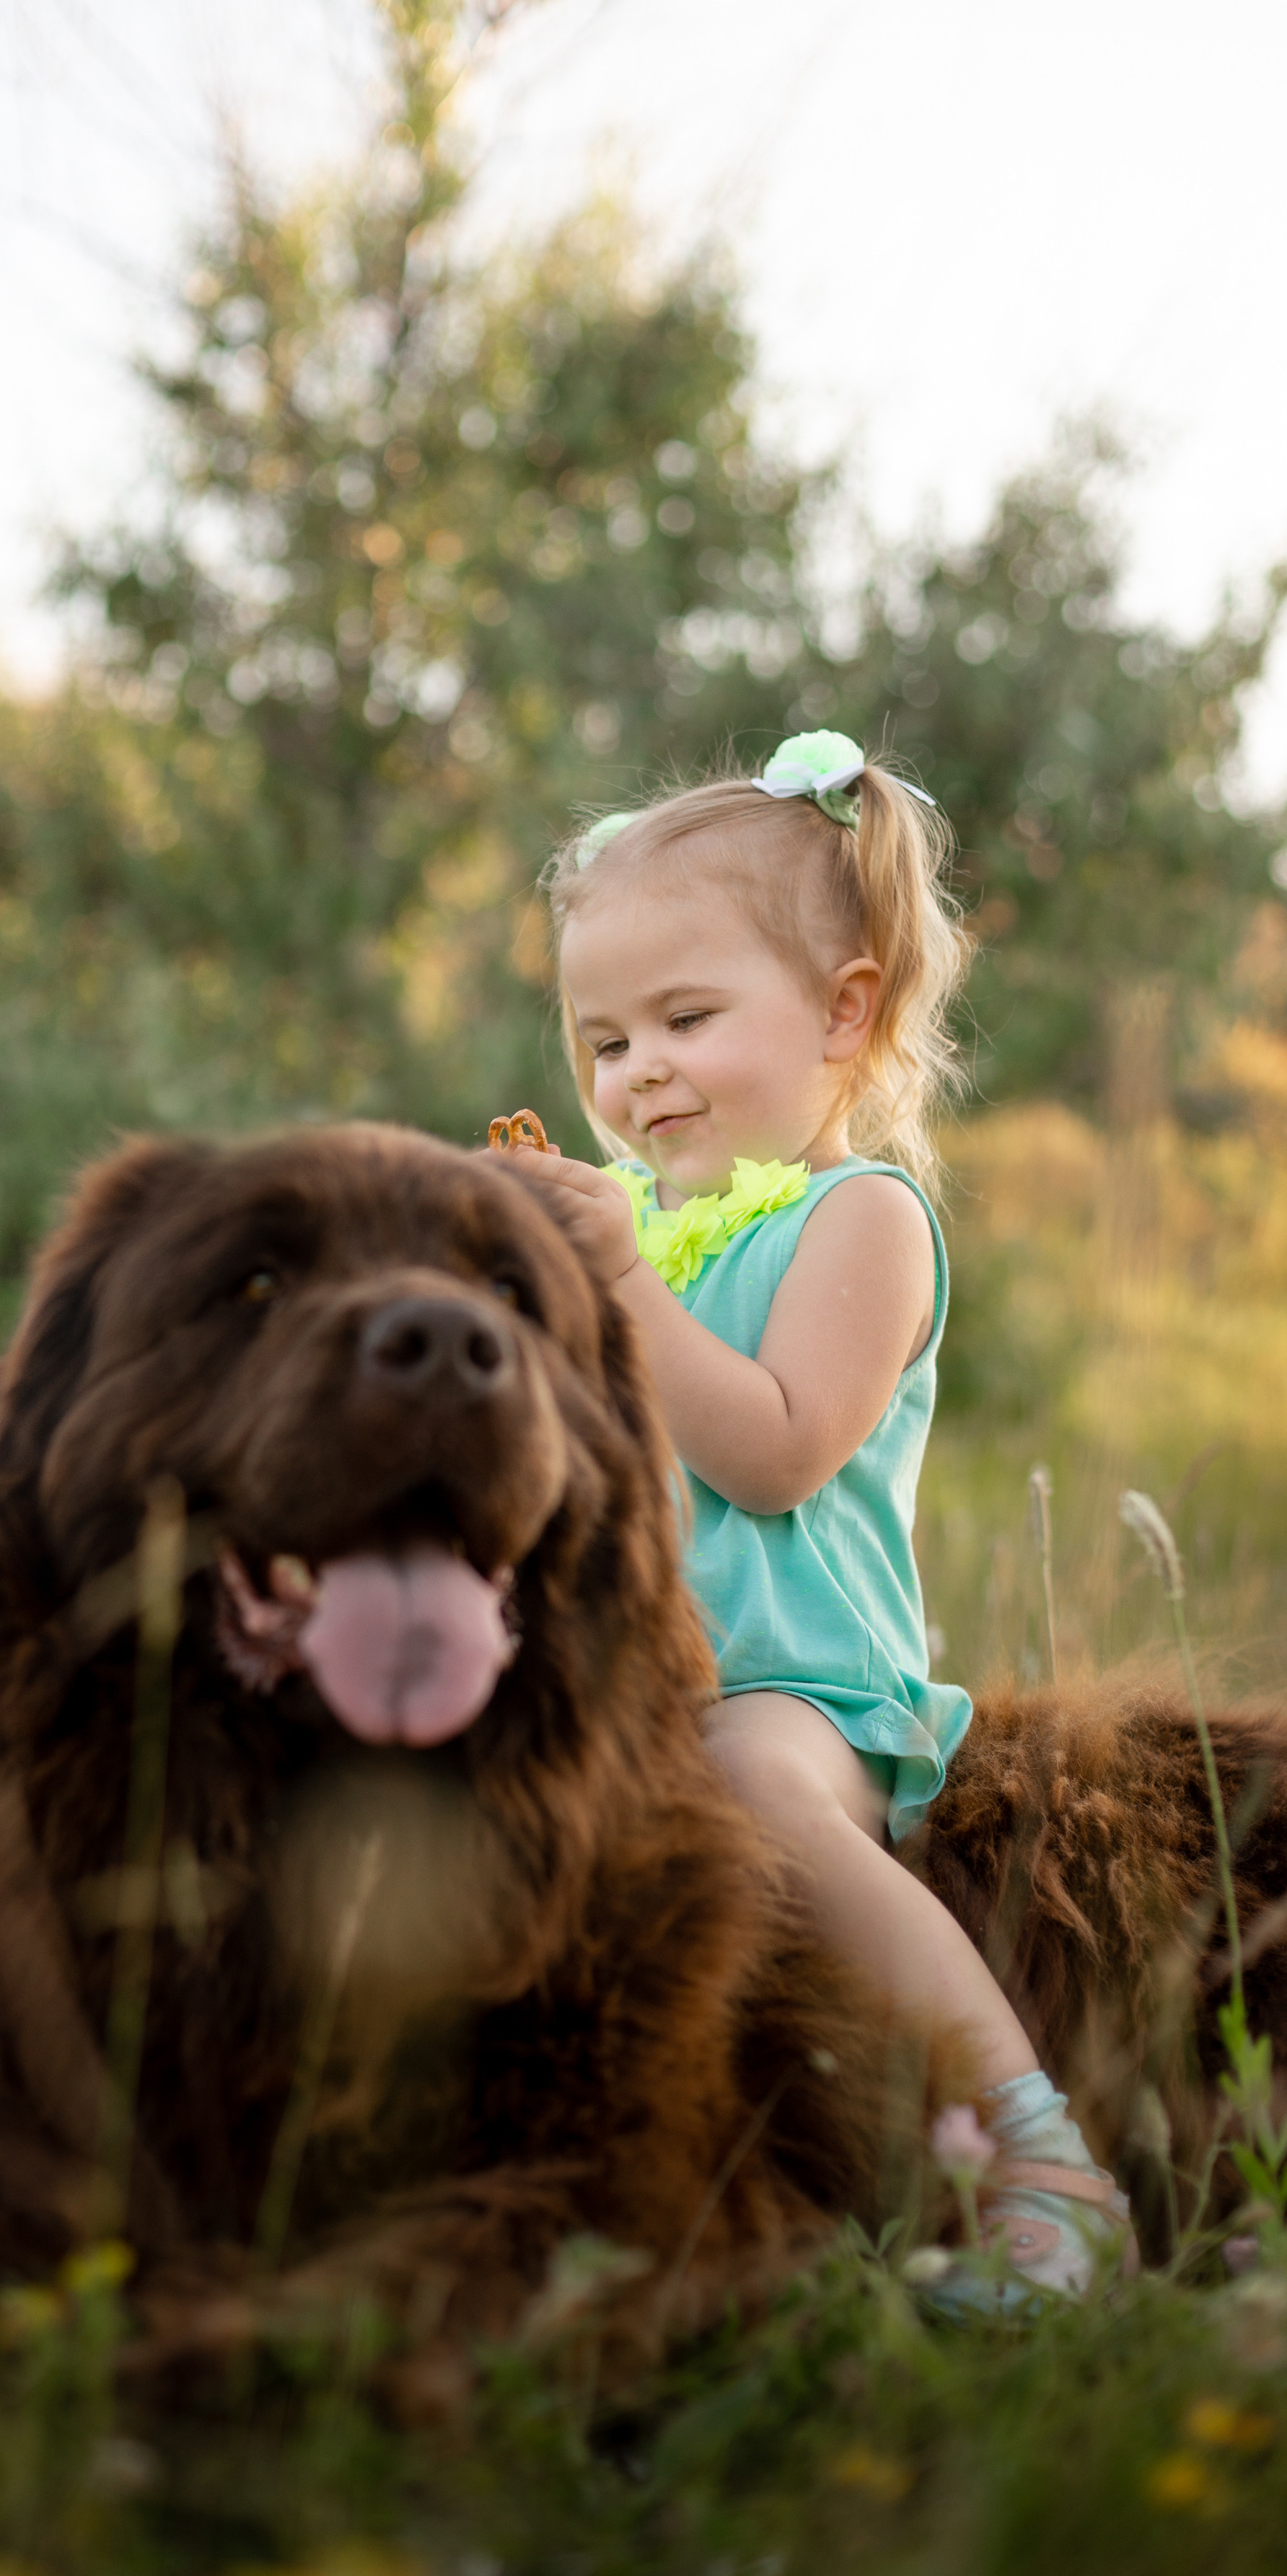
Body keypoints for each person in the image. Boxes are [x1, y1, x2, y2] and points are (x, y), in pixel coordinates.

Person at [498, 730, 1130, 2307]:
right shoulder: (650, 1229)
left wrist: (620, 1285)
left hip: (801, 1690)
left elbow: (772, 1454)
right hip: (633, 1677)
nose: (636, 1074)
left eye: (685, 1020)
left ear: (845, 1012)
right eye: (601, 1042)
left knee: (750, 1781)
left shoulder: (865, 1221)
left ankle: (1037, 2148)